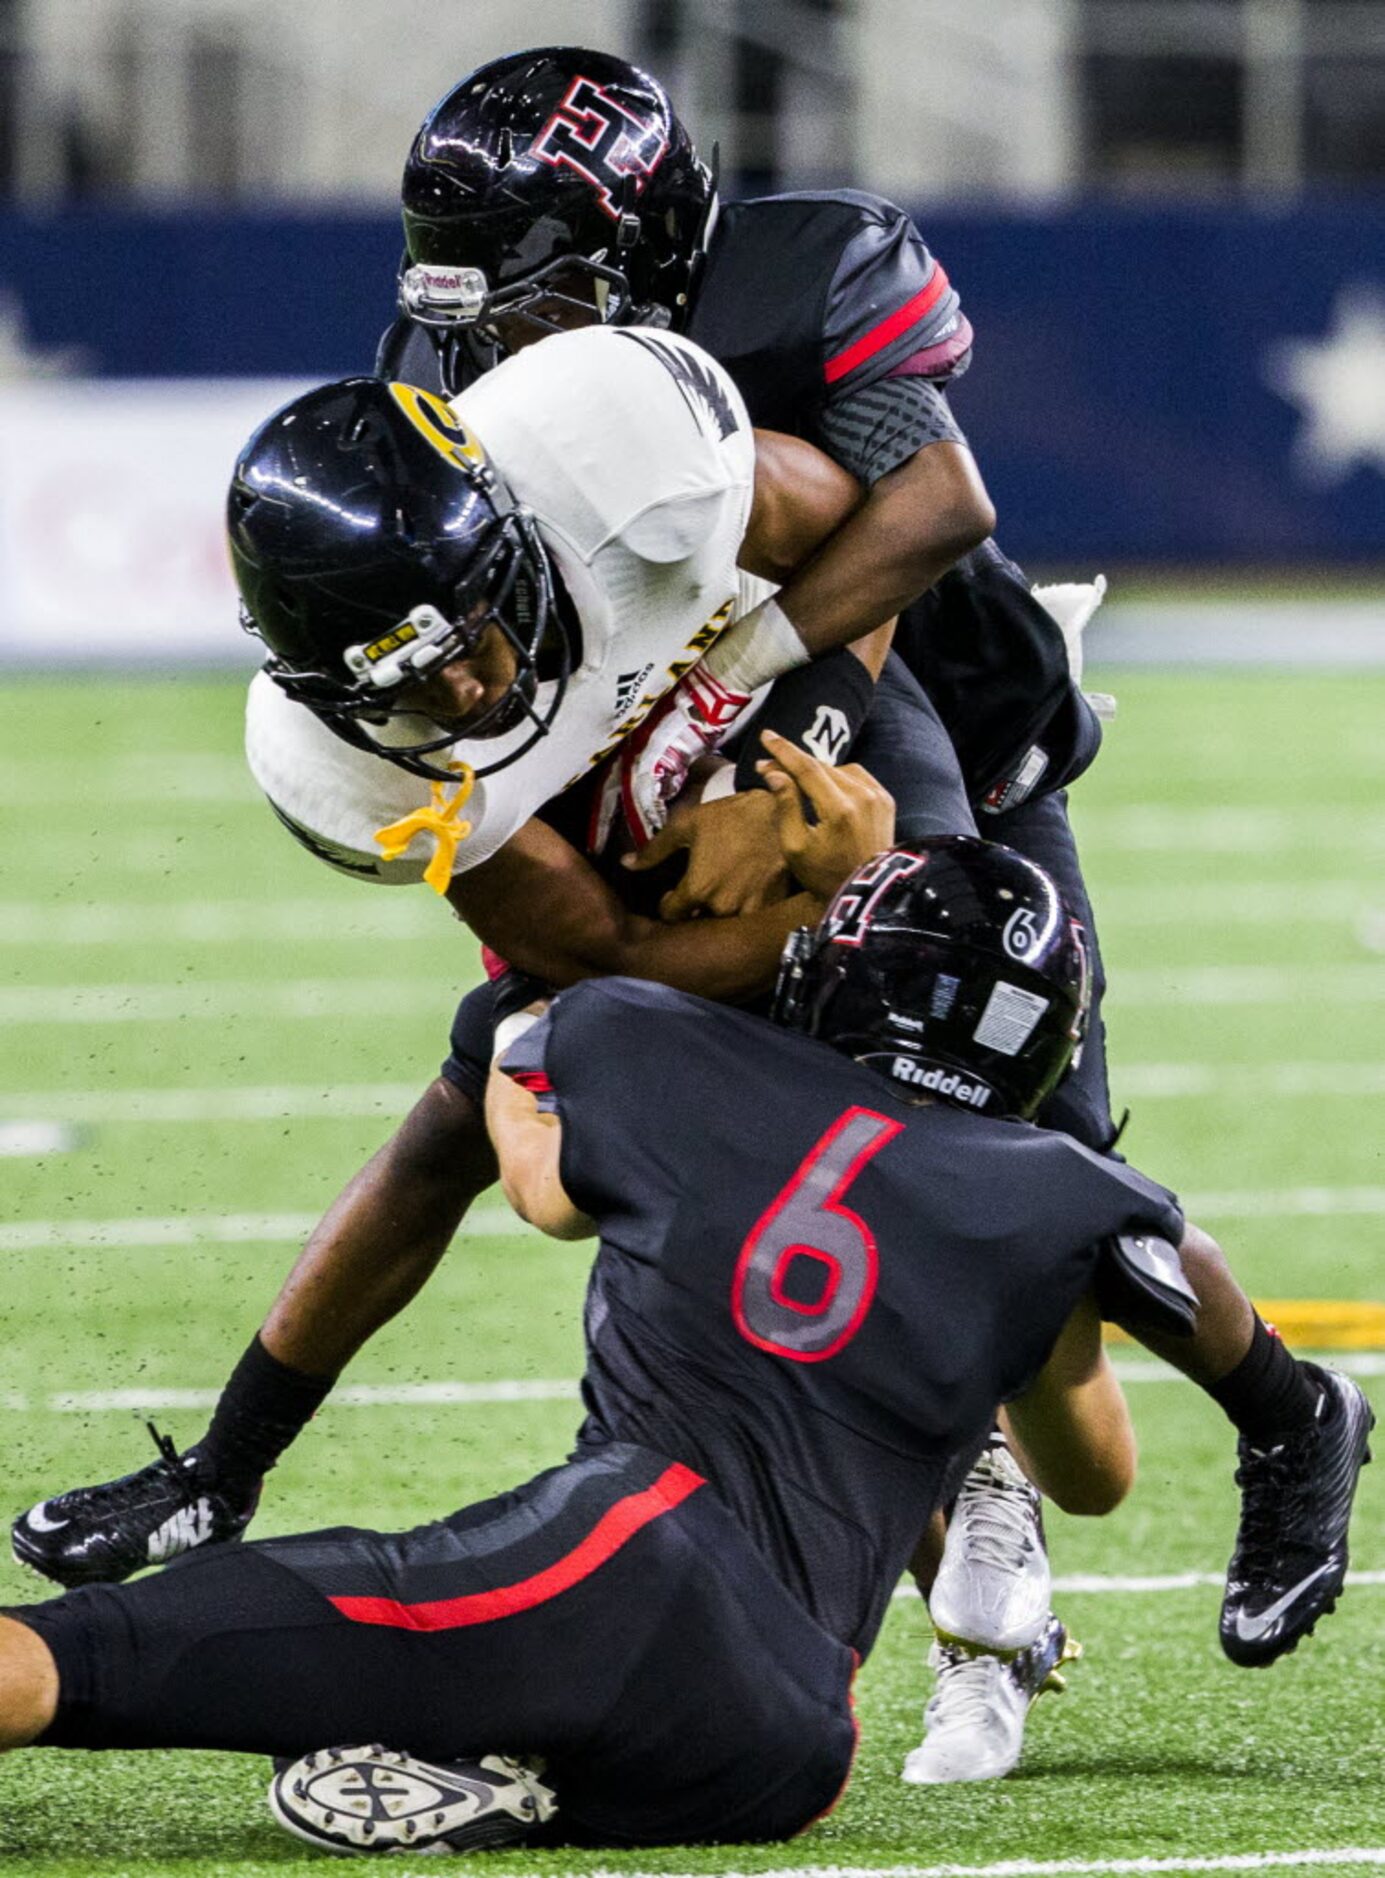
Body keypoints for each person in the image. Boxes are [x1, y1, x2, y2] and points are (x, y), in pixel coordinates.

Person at [12, 46, 1370, 1784]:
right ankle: (251, 1456)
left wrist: (774, 740)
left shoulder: (629, 432)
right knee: (510, 1066)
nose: (469, 685)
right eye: (420, 686)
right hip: (653, 744)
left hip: (912, 694)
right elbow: (600, 969)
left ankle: (1255, 1418)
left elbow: (928, 519)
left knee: (1005, 1216)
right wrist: (741, 898)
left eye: (544, 291)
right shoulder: (402, 643)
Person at [2, 764, 1221, 1855]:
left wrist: (524, 1050)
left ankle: (502, 1737)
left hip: (631, 1574)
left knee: (73, 1662)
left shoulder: (681, 1063)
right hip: (788, 1752)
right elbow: (1097, 1475)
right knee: (540, 1712)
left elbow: (538, 1190)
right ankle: (524, 1785)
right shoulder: (1053, 1195)